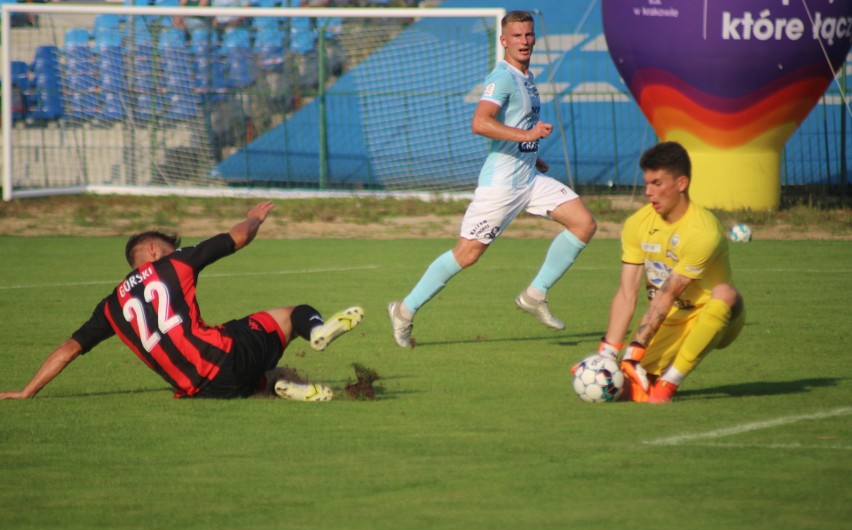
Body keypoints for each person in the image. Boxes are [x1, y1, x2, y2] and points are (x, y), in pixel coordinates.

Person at [0, 202, 364, 401]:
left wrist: (26, 391)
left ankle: (274, 385)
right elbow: (236, 238)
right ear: (156, 251)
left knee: (249, 372)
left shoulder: (110, 307)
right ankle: (317, 329)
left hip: (199, 391)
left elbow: (68, 349)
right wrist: (253, 218)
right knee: (290, 314)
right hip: (225, 357)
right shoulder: (174, 264)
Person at [387, 10, 596, 348]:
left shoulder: (527, 77)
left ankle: (534, 294)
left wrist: (531, 150)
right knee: (467, 254)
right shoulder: (502, 78)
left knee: (584, 223)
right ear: (503, 41)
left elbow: (512, 129)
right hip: (500, 186)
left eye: (528, 35)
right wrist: (526, 134)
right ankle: (405, 310)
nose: (524, 41)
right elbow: (480, 123)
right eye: (516, 36)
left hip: (527, 177)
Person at [592, 141, 745, 403]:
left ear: (681, 183)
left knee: (724, 294)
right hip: (668, 320)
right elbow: (627, 293)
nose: (648, 192)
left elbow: (669, 292)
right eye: (647, 183)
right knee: (617, 390)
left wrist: (634, 351)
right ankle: (649, 382)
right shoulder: (636, 224)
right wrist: (606, 354)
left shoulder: (703, 231)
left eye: (657, 183)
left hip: (714, 316)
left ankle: (669, 383)